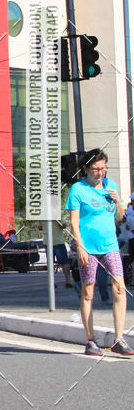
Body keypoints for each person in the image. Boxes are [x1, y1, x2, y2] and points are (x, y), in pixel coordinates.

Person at [66, 148, 133, 356]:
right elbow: (74, 222)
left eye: (103, 168)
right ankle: (90, 340)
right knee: (88, 292)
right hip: (88, 248)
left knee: (120, 288)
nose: (100, 173)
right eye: (96, 169)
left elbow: (120, 217)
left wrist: (117, 202)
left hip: (110, 245)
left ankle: (119, 339)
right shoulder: (78, 189)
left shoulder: (110, 185)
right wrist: (80, 246)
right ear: (86, 168)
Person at [52, 220, 73, 288]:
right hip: (54, 242)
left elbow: (63, 225)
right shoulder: (43, 216)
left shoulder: (56, 215)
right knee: (64, 263)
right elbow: (39, 227)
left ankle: (68, 281)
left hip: (57, 242)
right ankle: (53, 282)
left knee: (64, 262)